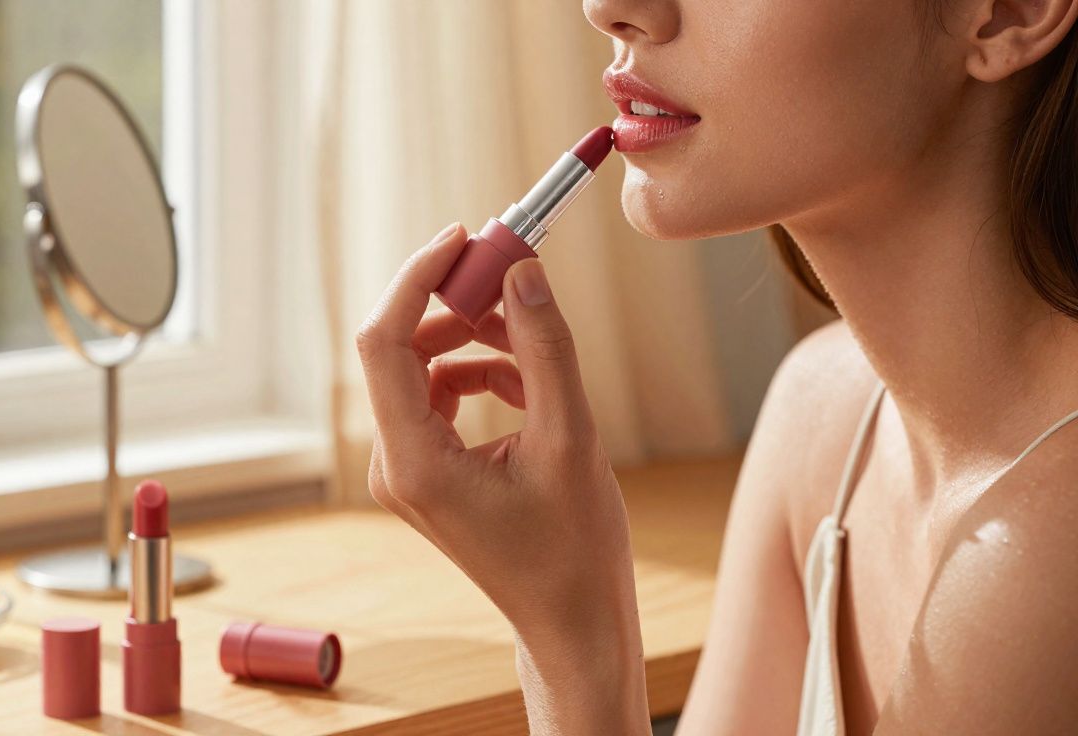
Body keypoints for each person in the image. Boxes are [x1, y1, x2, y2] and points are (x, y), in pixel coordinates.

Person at [355, 0, 1078, 733]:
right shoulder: (823, 415)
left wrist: (572, 639)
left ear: (1005, 13)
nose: (609, 9)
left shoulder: (1049, 550)